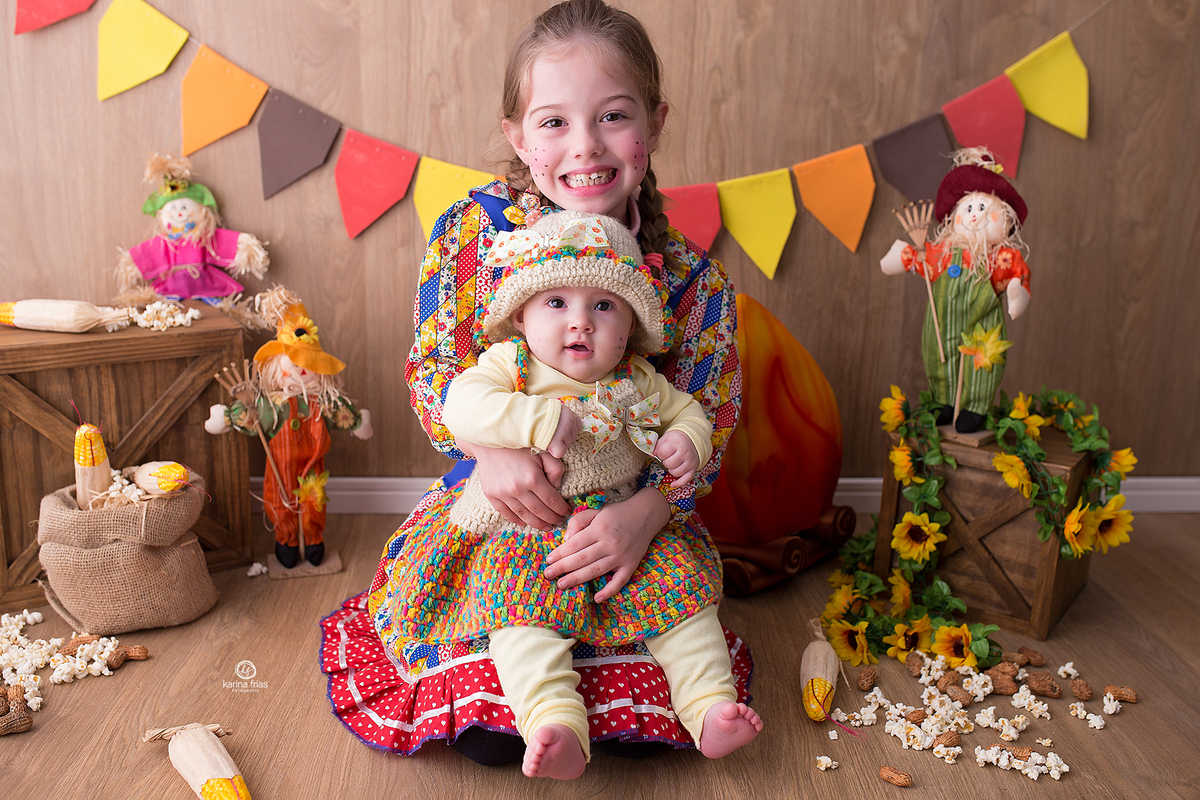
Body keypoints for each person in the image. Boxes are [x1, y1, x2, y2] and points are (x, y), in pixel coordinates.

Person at [322, 0, 748, 774]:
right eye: (553, 122)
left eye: (613, 117)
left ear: (652, 123)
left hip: (625, 526)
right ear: (519, 137)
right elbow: (435, 374)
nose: (584, 147)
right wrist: (491, 453)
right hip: (507, 513)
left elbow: (706, 415)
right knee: (491, 722)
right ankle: (545, 713)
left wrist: (646, 515)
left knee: (666, 668)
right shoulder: (471, 234)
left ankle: (676, 700)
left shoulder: (691, 279)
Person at [387, 210, 760, 779]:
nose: (580, 323)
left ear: (630, 328)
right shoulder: (509, 368)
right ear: (521, 315)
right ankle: (552, 719)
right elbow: (458, 405)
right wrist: (529, 419)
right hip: (522, 530)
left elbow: (691, 411)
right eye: (556, 303)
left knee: (682, 600)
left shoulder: (638, 380)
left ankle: (709, 705)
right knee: (518, 613)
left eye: (603, 306)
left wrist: (687, 440)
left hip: (622, 523)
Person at [879, 148, 1031, 433]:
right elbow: (920, 259)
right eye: (969, 209)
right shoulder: (943, 252)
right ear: (954, 217)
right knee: (939, 356)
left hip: (982, 327)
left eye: (984, 209)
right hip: (942, 323)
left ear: (1005, 217)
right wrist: (906, 257)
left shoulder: (1000, 257)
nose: (975, 217)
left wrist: (1015, 291)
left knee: (982, 364)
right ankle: (944, 401)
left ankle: (974, 406)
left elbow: (1017, 277)